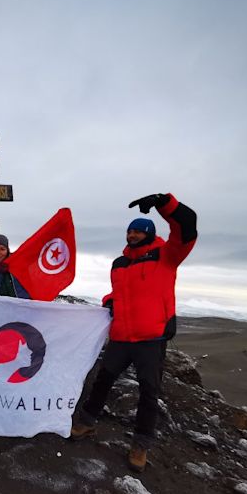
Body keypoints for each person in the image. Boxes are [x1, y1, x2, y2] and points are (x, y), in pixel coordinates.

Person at [71, 193, 197, 473]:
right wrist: (109, 302)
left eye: (139, 231)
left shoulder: (167, 255)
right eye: (130, 231)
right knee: (102, 380)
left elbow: (188, 224)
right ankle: (87, 423)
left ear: (150, 233)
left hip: (151, 338)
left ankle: (141, 444)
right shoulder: (119, 263)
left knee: (149, 392)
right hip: (121, 336)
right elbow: (120, 293)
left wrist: (165, 203)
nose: (133, 234)